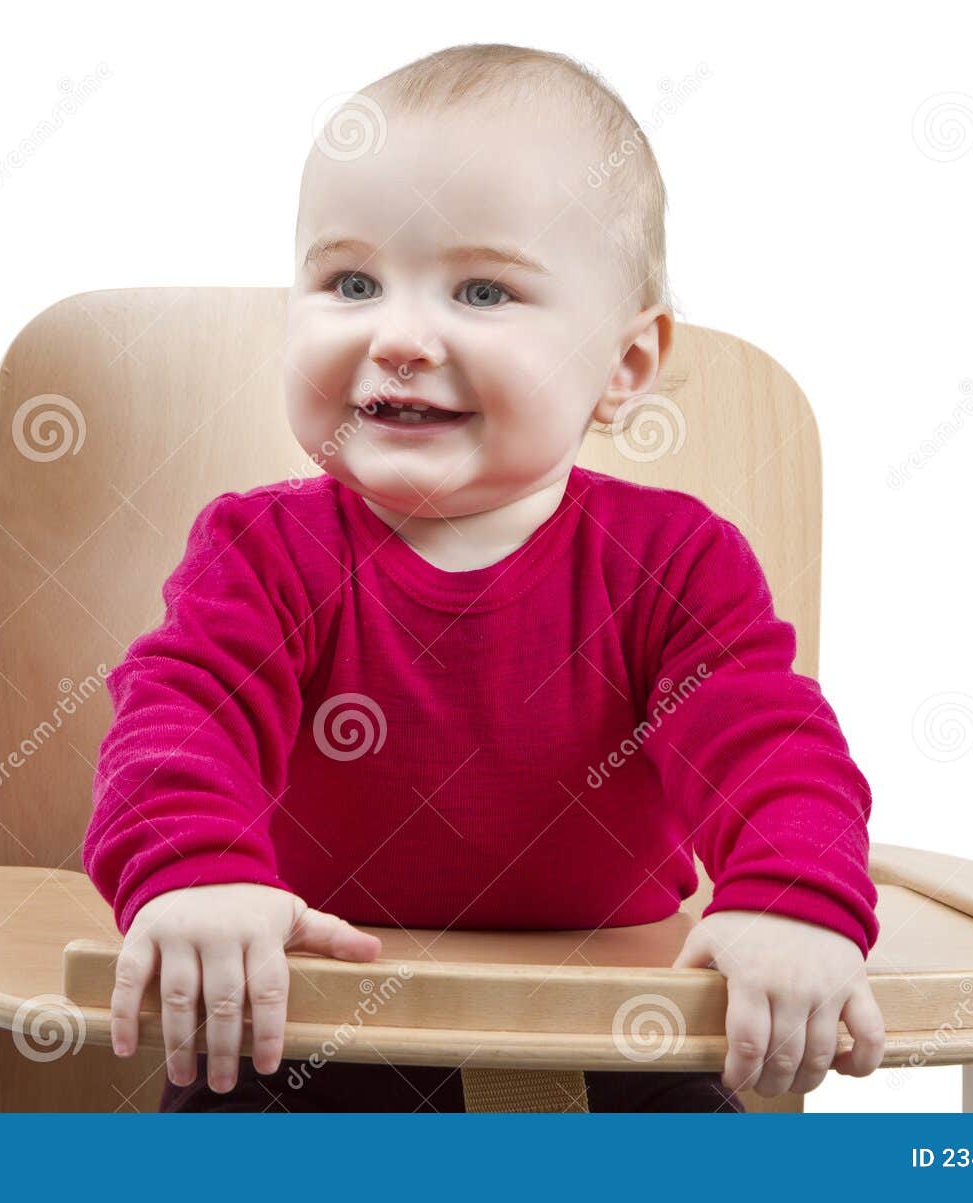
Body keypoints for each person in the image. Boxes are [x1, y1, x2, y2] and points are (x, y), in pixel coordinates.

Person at [82, 42, 885, 1114]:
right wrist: (199, 875)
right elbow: (180, 717)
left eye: (483, 289)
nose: (401, 335)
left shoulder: (678, 564)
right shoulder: (262, 552)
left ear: (624, 365)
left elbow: (768, 740)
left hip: (622, 1031)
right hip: (309, 1012)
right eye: (350, 281)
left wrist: (791, 899)